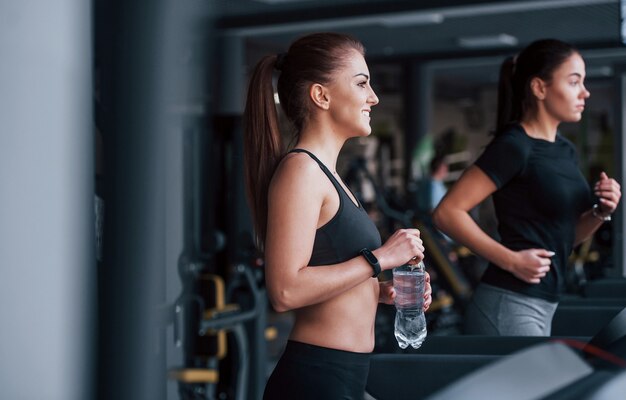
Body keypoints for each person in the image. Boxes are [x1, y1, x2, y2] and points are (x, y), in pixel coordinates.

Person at [242, 32, 432, 399]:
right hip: (316, 376)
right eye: (362, 83)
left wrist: (378, 293)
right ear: (321, 95)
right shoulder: (301, 171)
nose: (373, 97)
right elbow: (284, 290)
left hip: (345, 374)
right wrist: (380, 259)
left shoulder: (329, 176)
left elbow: (324, 276)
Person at [433, 39, 621, 336]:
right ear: (540, 88)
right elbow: (446, 213)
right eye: (574, 82)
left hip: (545, 303)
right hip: (509, 303)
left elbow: (564, 237)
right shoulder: (514, 146)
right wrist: (512, 261)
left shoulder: (566, 150)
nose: (585, 92)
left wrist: (601, 211)